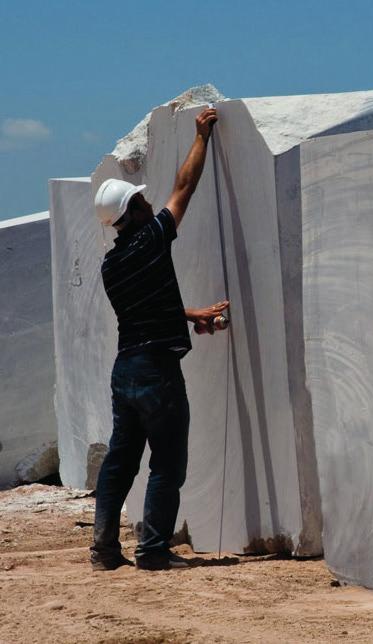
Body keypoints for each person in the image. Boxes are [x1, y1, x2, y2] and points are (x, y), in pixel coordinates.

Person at [90, 106, 229, 571]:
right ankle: (152, 551)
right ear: (135, 210)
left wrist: (190, 315)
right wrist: (201, 137)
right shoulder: (151, 238)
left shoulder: (111, 266)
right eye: (142, 200)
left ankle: (105, 552)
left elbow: (145, 310)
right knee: (168, 462)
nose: (151, 203)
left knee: (120, 462)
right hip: (156, 371)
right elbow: (184, 187)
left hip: (125, 370)